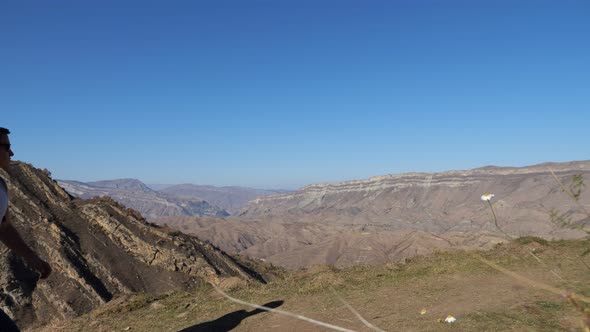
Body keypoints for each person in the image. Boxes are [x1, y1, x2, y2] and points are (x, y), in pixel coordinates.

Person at [0, 127, 51, 331]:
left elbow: (4, 227)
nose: (11, 153)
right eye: (6, 147)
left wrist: (32, 258)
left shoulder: (1, 186)